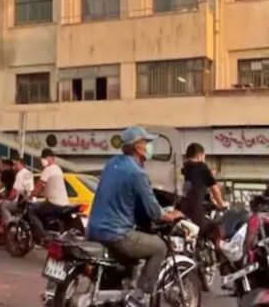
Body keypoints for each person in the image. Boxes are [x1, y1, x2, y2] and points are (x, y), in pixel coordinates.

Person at [87, 127, 184, 307]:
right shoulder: (137, 173)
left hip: (93, 229)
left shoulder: (111, 164)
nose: (149, 147)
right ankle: (139, 297)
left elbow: (127, 199)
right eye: (147, 143)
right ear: (138, 147)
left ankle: (119, 288)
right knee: (159, 248)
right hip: (116, 233)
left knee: (130, 256)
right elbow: (155, 212)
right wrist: (172, 216)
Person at [181, 143, 227, 242]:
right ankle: (218, 256)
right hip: (196, 212)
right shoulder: (202, 167)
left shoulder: (183, 167)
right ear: (200, 155)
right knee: (216, 229)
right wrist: (221, 205)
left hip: (181, 211)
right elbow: (215, 189)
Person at [28, 149, 70, 244]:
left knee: (32, 211)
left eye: (44, 158)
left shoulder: (48, 169)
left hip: (54, 203)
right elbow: (51, 187)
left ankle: (42, 235)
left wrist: (31, 195)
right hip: (64, 203)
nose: (42, 160)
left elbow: (39, 185)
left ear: (51, 158)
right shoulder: (58, 169)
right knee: (42, 207)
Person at [0, 158, 35, 228]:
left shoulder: (19, 174)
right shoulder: (29, 173)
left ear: (22, 165)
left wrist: (7, 199)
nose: (15, 166)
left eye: (17, 164)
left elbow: (15, 191)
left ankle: (11, 226)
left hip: (22, 202)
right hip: (31, 201)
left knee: (4, 205)